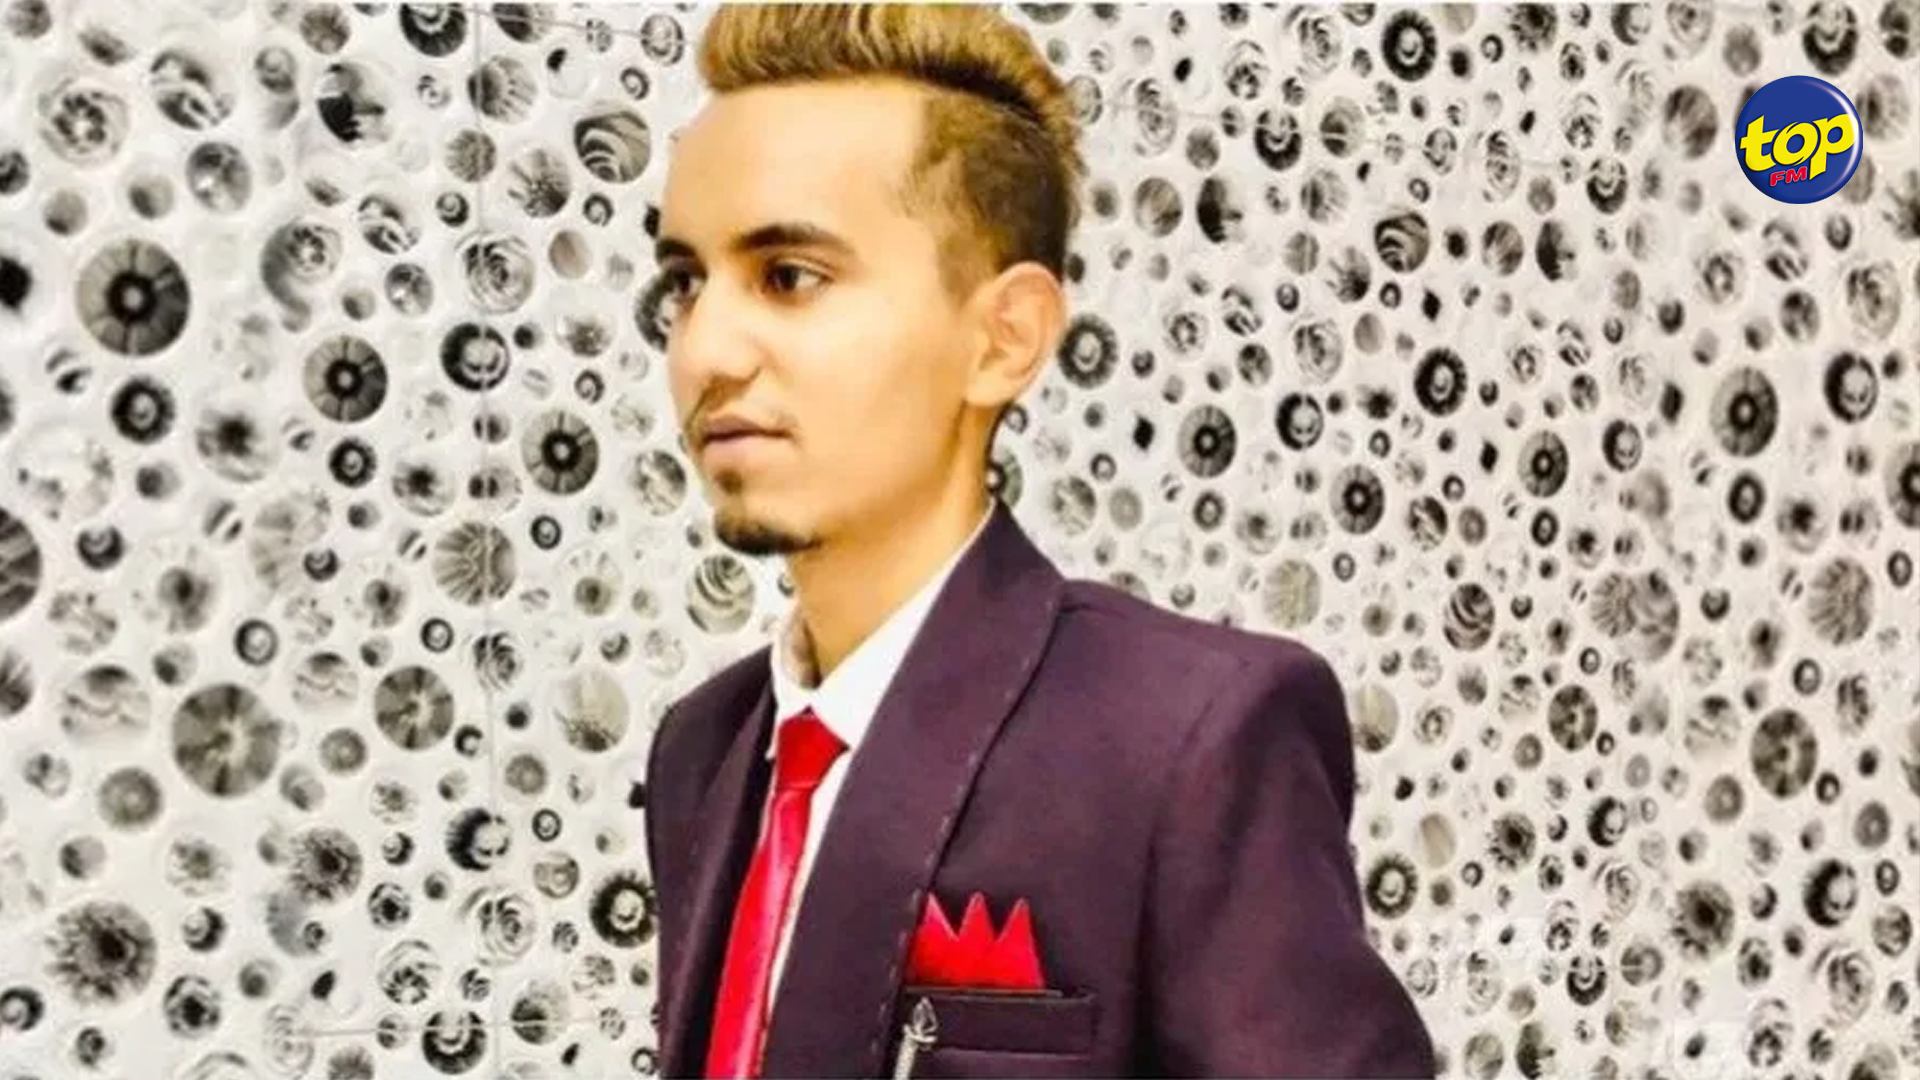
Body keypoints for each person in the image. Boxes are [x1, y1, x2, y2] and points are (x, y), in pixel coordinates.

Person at [641, 5, 1436, 1077]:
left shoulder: (1186, 742)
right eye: (684, 284)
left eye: (790, 276)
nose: (707, 349)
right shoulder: (705, 751)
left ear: (1003, 338)